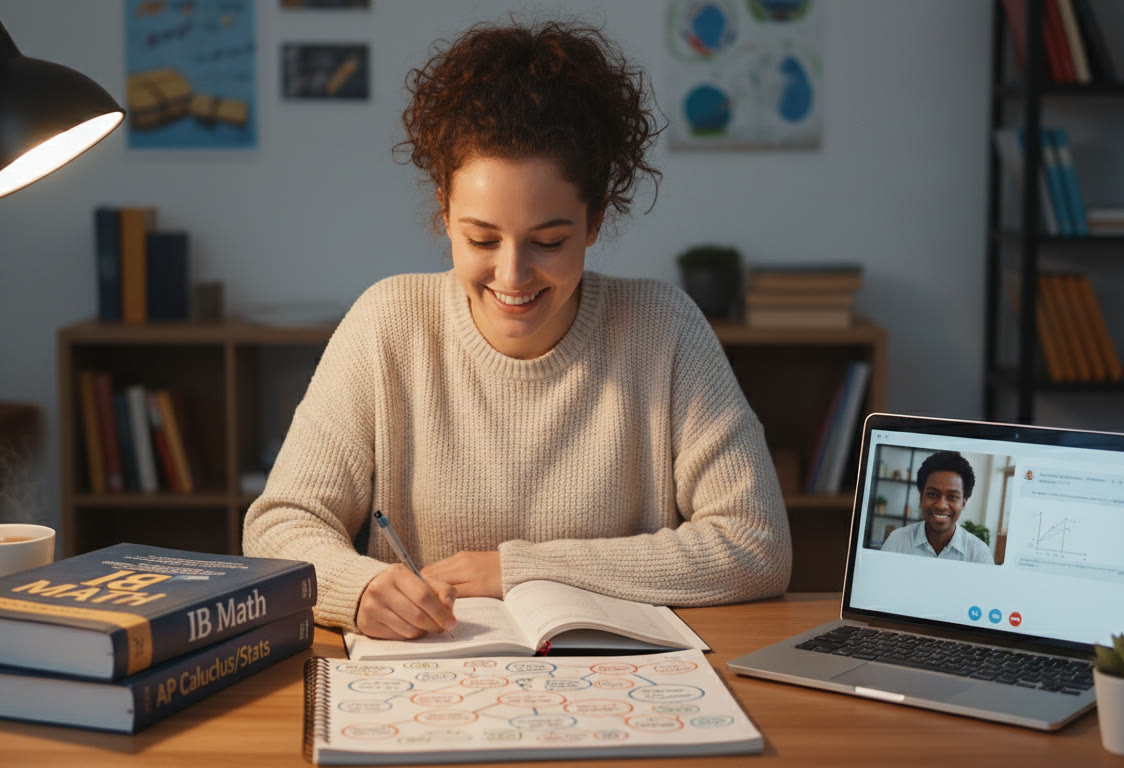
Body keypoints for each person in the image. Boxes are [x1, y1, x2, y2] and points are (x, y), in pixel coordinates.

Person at [242, 19, 792, 639]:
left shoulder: (664, 329)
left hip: (614, 688)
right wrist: (357, 585)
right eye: (481, 238)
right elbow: (280, 522)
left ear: (594, 222)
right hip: (431, 683)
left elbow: (756, 544)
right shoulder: (388, 324)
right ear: (444, 214)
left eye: (549, 241)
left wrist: (522, 569)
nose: (513, 274)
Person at [880, 451, 994, 564]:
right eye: (933, 494)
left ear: (964, 503)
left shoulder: (979, 554)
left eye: (952, 496)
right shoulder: (896, 542)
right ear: (921, 497)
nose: (941, 505)